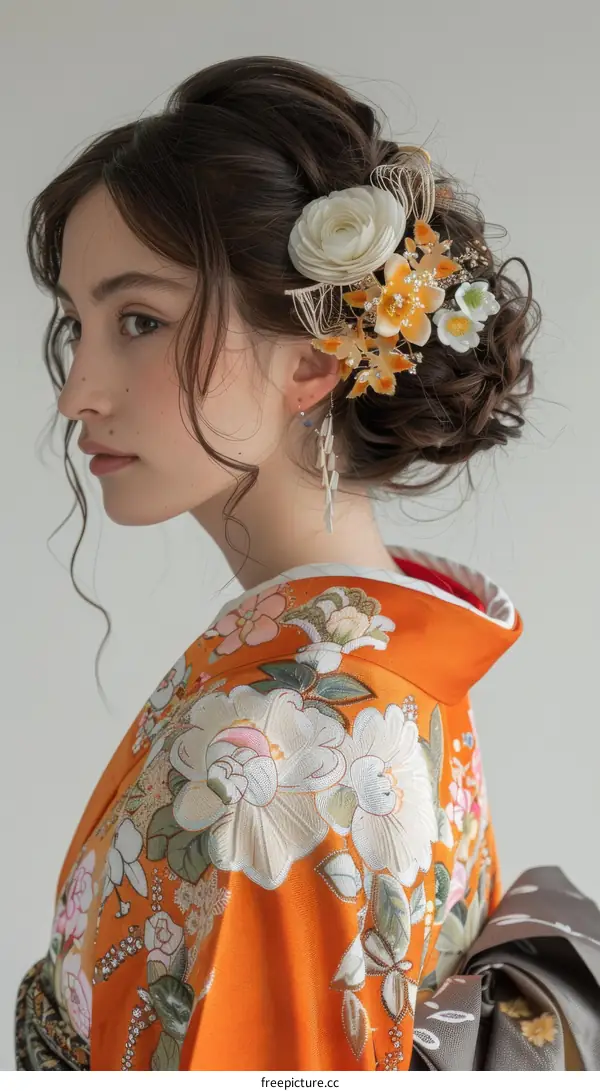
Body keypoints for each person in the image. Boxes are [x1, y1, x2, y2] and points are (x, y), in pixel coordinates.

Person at [16, 54, 551, 1071]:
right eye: (77, 324)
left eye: (139, 320)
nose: (76, 389)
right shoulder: (401, 661)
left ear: (312, 358)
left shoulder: (273, 753)